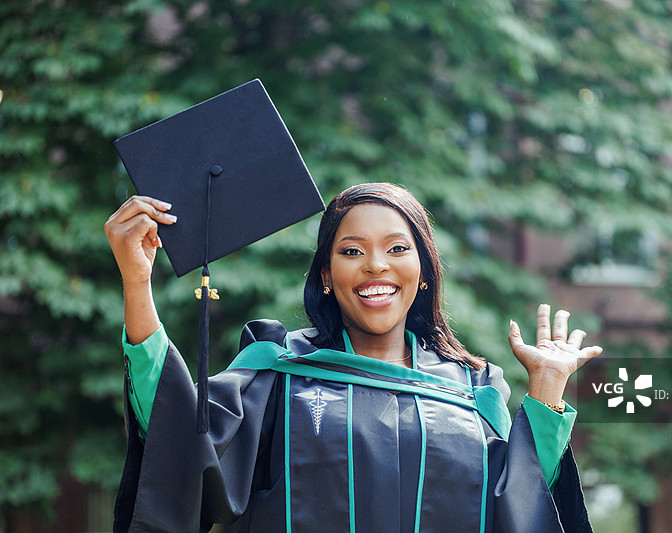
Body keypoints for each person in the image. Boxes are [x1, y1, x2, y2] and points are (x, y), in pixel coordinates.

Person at [105, 182, 602, 533]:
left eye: (396, 248)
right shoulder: (279, 373)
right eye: (351, 251)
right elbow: (178, 437)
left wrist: (547, 391)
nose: (375, 265)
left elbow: (521, 510)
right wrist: (136, 281)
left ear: (423, 270)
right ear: (325, 274)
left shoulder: (474, 391)